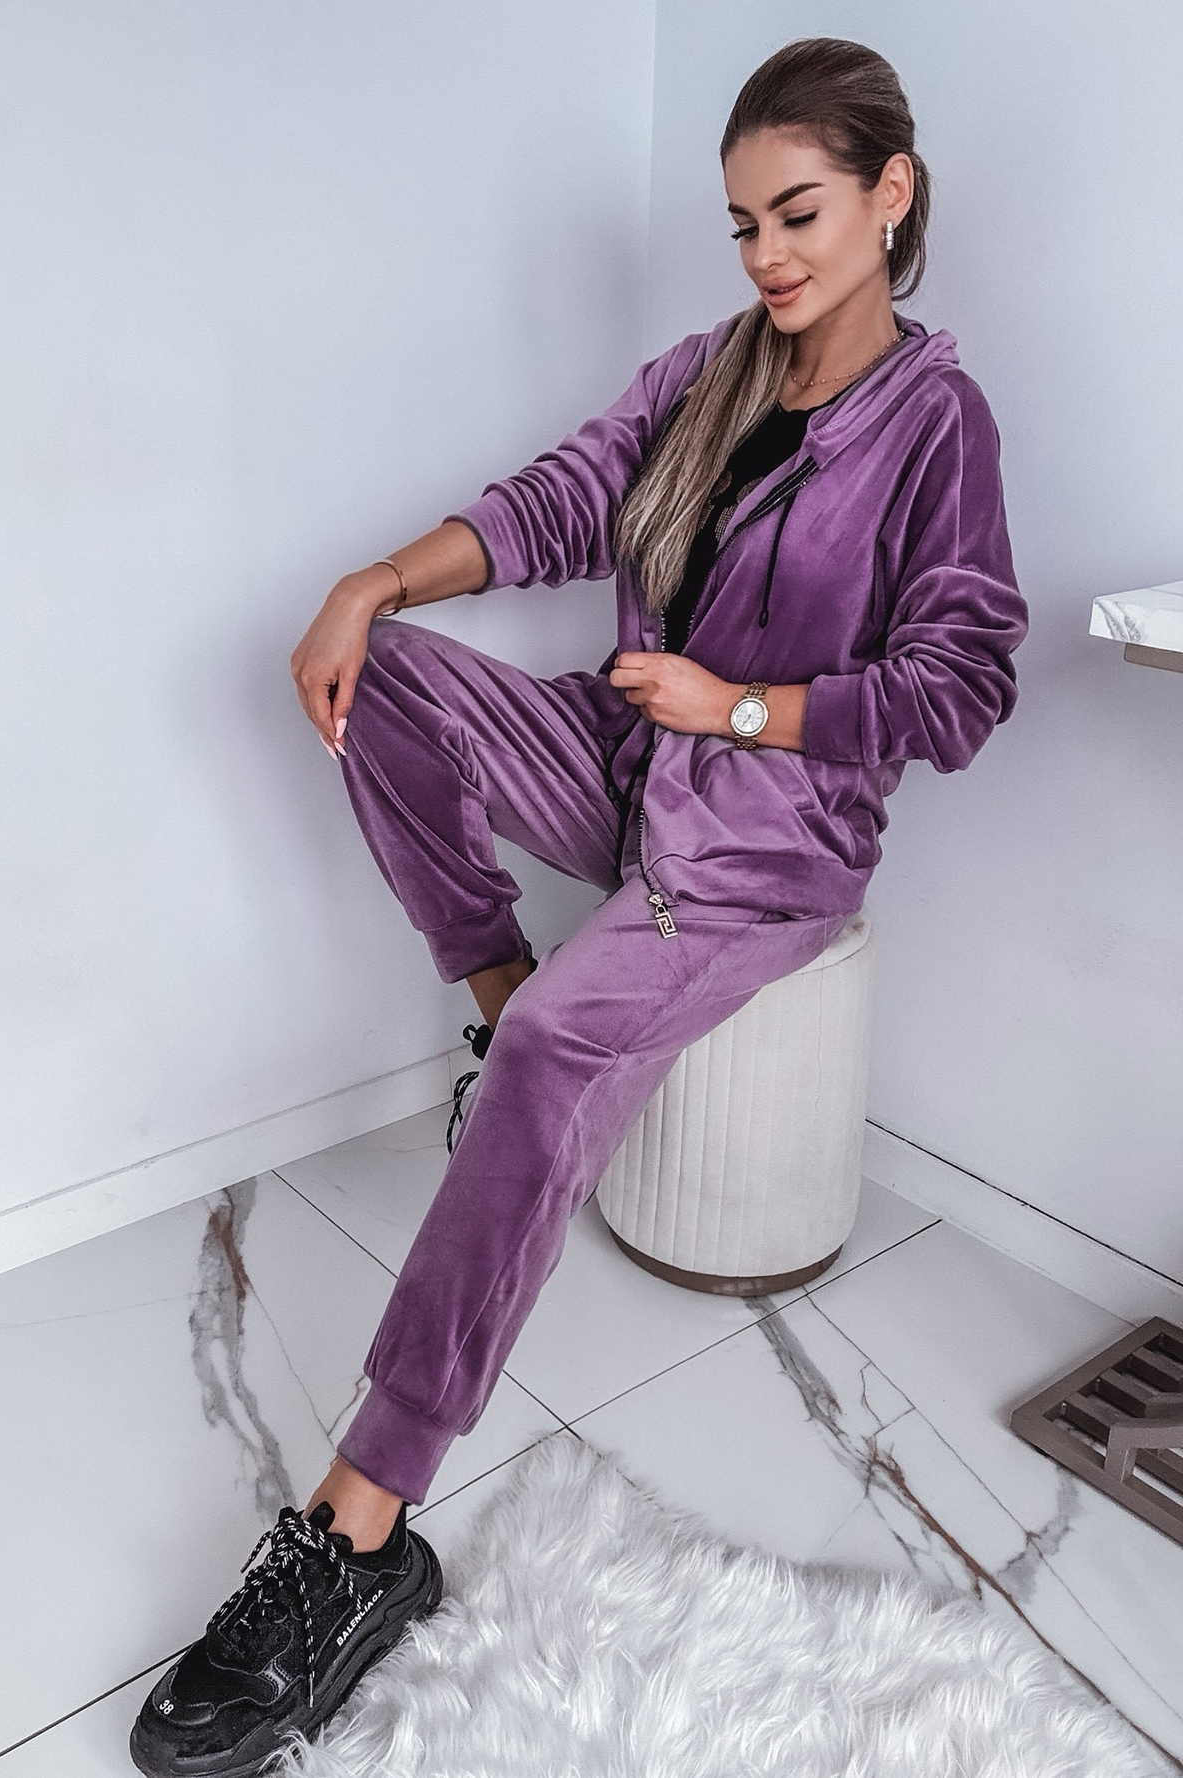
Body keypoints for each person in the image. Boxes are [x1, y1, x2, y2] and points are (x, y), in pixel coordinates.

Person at [131, 34, 1029, 1777]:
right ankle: (499, 1010)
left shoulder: (939, 425)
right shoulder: (709, 373)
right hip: (631, 762)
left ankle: (361, 1533)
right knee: (385, 685)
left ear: (890, 196)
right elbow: (558, 503)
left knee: (562, 1049)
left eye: (799, 213)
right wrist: (372, 581)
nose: (767, 254)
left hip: (768, 838)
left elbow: (965, 682)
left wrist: (742, 708)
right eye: (743, 224)